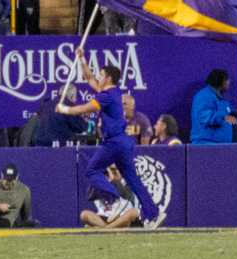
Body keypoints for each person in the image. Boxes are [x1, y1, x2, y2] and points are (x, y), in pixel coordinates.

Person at [55, 57, 160, 227]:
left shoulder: (106, 96)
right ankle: (153, 213)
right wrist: (81, 59)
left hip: (113, 142)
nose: (98, 77)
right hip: (124, 142)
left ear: (108, 78)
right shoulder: (115, 92)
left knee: (92, 170)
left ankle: (116, 201)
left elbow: (84, 109)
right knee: (133, 180)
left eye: (101, 75)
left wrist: (64, 109)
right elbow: (89, 78)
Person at [189, 68, 237, 143]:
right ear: (221, 81)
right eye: (227, 80)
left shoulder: (222, 99)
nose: (229, 82)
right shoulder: (203, 96)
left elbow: (230, 116)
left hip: (221, 146)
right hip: (205, 144)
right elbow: (203, 116)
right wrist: (223, 117)